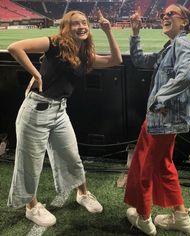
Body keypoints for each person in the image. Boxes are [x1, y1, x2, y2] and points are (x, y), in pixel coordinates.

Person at [7, 10, 122, 227]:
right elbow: (16, 47)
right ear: (66, 28)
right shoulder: (55, 43)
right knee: (30, 163)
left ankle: (83, 194)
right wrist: (36, 73)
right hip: (36, 111)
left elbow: (115, 59)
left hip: (59, 111)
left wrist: (108, 31)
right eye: (75, 24)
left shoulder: (83, 54)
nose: (82, 27)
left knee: (72, 155)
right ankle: (31, 207)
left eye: (84, 23)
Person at [124, 4, 190, 235]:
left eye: (170, 14)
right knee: (163, 165)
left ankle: (144, 217)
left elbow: (186, 76)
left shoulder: (183, 43)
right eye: (163, 14)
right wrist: (135, 33)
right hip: (162, 119)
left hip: (162, 118)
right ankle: (181, 216)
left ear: (184, 21)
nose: (165, 17)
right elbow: (140, 61)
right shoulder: (170, 47)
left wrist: (158, 100)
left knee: (145, 165)